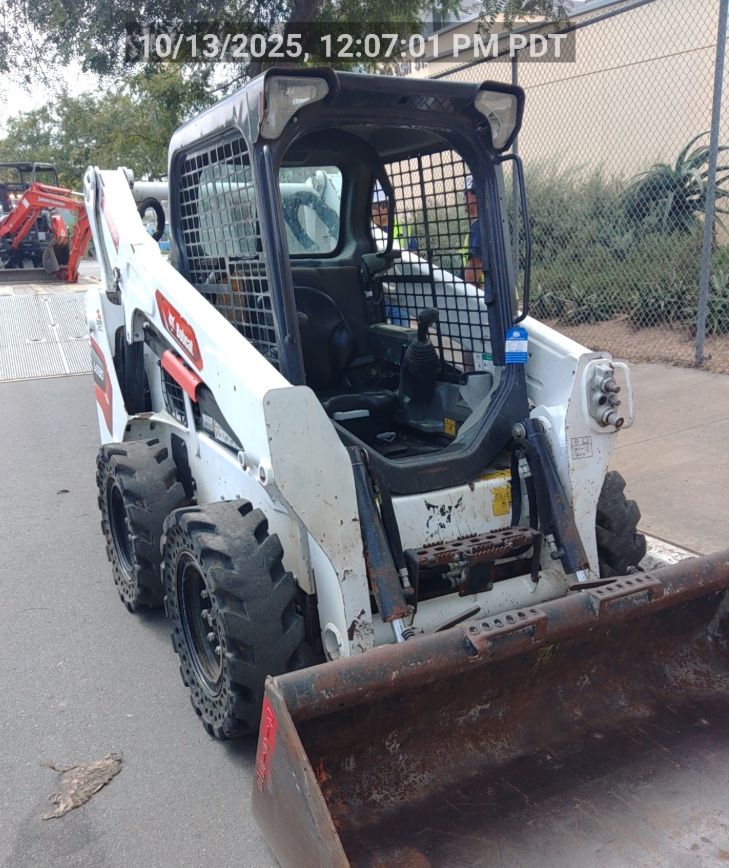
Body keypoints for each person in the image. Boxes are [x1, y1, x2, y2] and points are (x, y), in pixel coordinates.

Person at [461, 174, 486, 289]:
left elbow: (472, 274)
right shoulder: (479, 225)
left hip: (487, 297)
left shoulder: (480, 227)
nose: (464, 197)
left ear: (475, 195)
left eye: (466, 193)